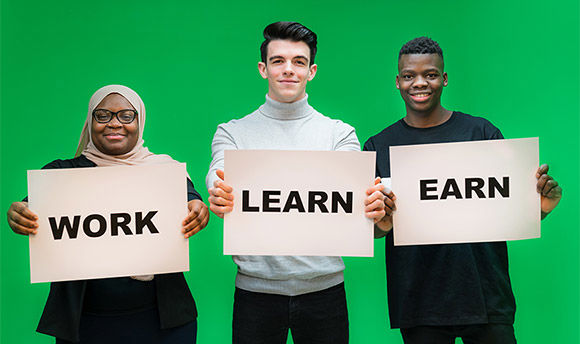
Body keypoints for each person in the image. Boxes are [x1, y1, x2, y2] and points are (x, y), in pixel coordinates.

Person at [363, 37, 563, 344]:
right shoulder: (379, 146)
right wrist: (381, 222)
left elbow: (510, 211)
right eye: (409, 76)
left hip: (486, 295)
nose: (419, 83)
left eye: (430, 74)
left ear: (444, 79)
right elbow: (375, 229)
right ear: (398, 82)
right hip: (419, 300)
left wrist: (542, 207)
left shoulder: (481, 133)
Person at [206, 22, 386, 344]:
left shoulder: (339, 134)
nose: (288, 70)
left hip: (325, 291)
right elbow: (220, 170)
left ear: (311, 71)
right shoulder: (232, 132)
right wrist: (217, 189)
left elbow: (356, 194)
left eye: (299, 62)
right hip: (255, 293)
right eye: (278, 61)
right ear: (263, 68)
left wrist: (372, 203)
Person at [6, 85, 209, 344]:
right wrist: (18, 214)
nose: (115, 123)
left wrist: (198, 208)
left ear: (140, 121)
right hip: (86, 325)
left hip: (164, 323)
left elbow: (190, 198)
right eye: (103, 116)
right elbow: (29, 208)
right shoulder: (62, 174)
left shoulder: (163, 171)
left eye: (126, 116)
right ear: (90, 122)